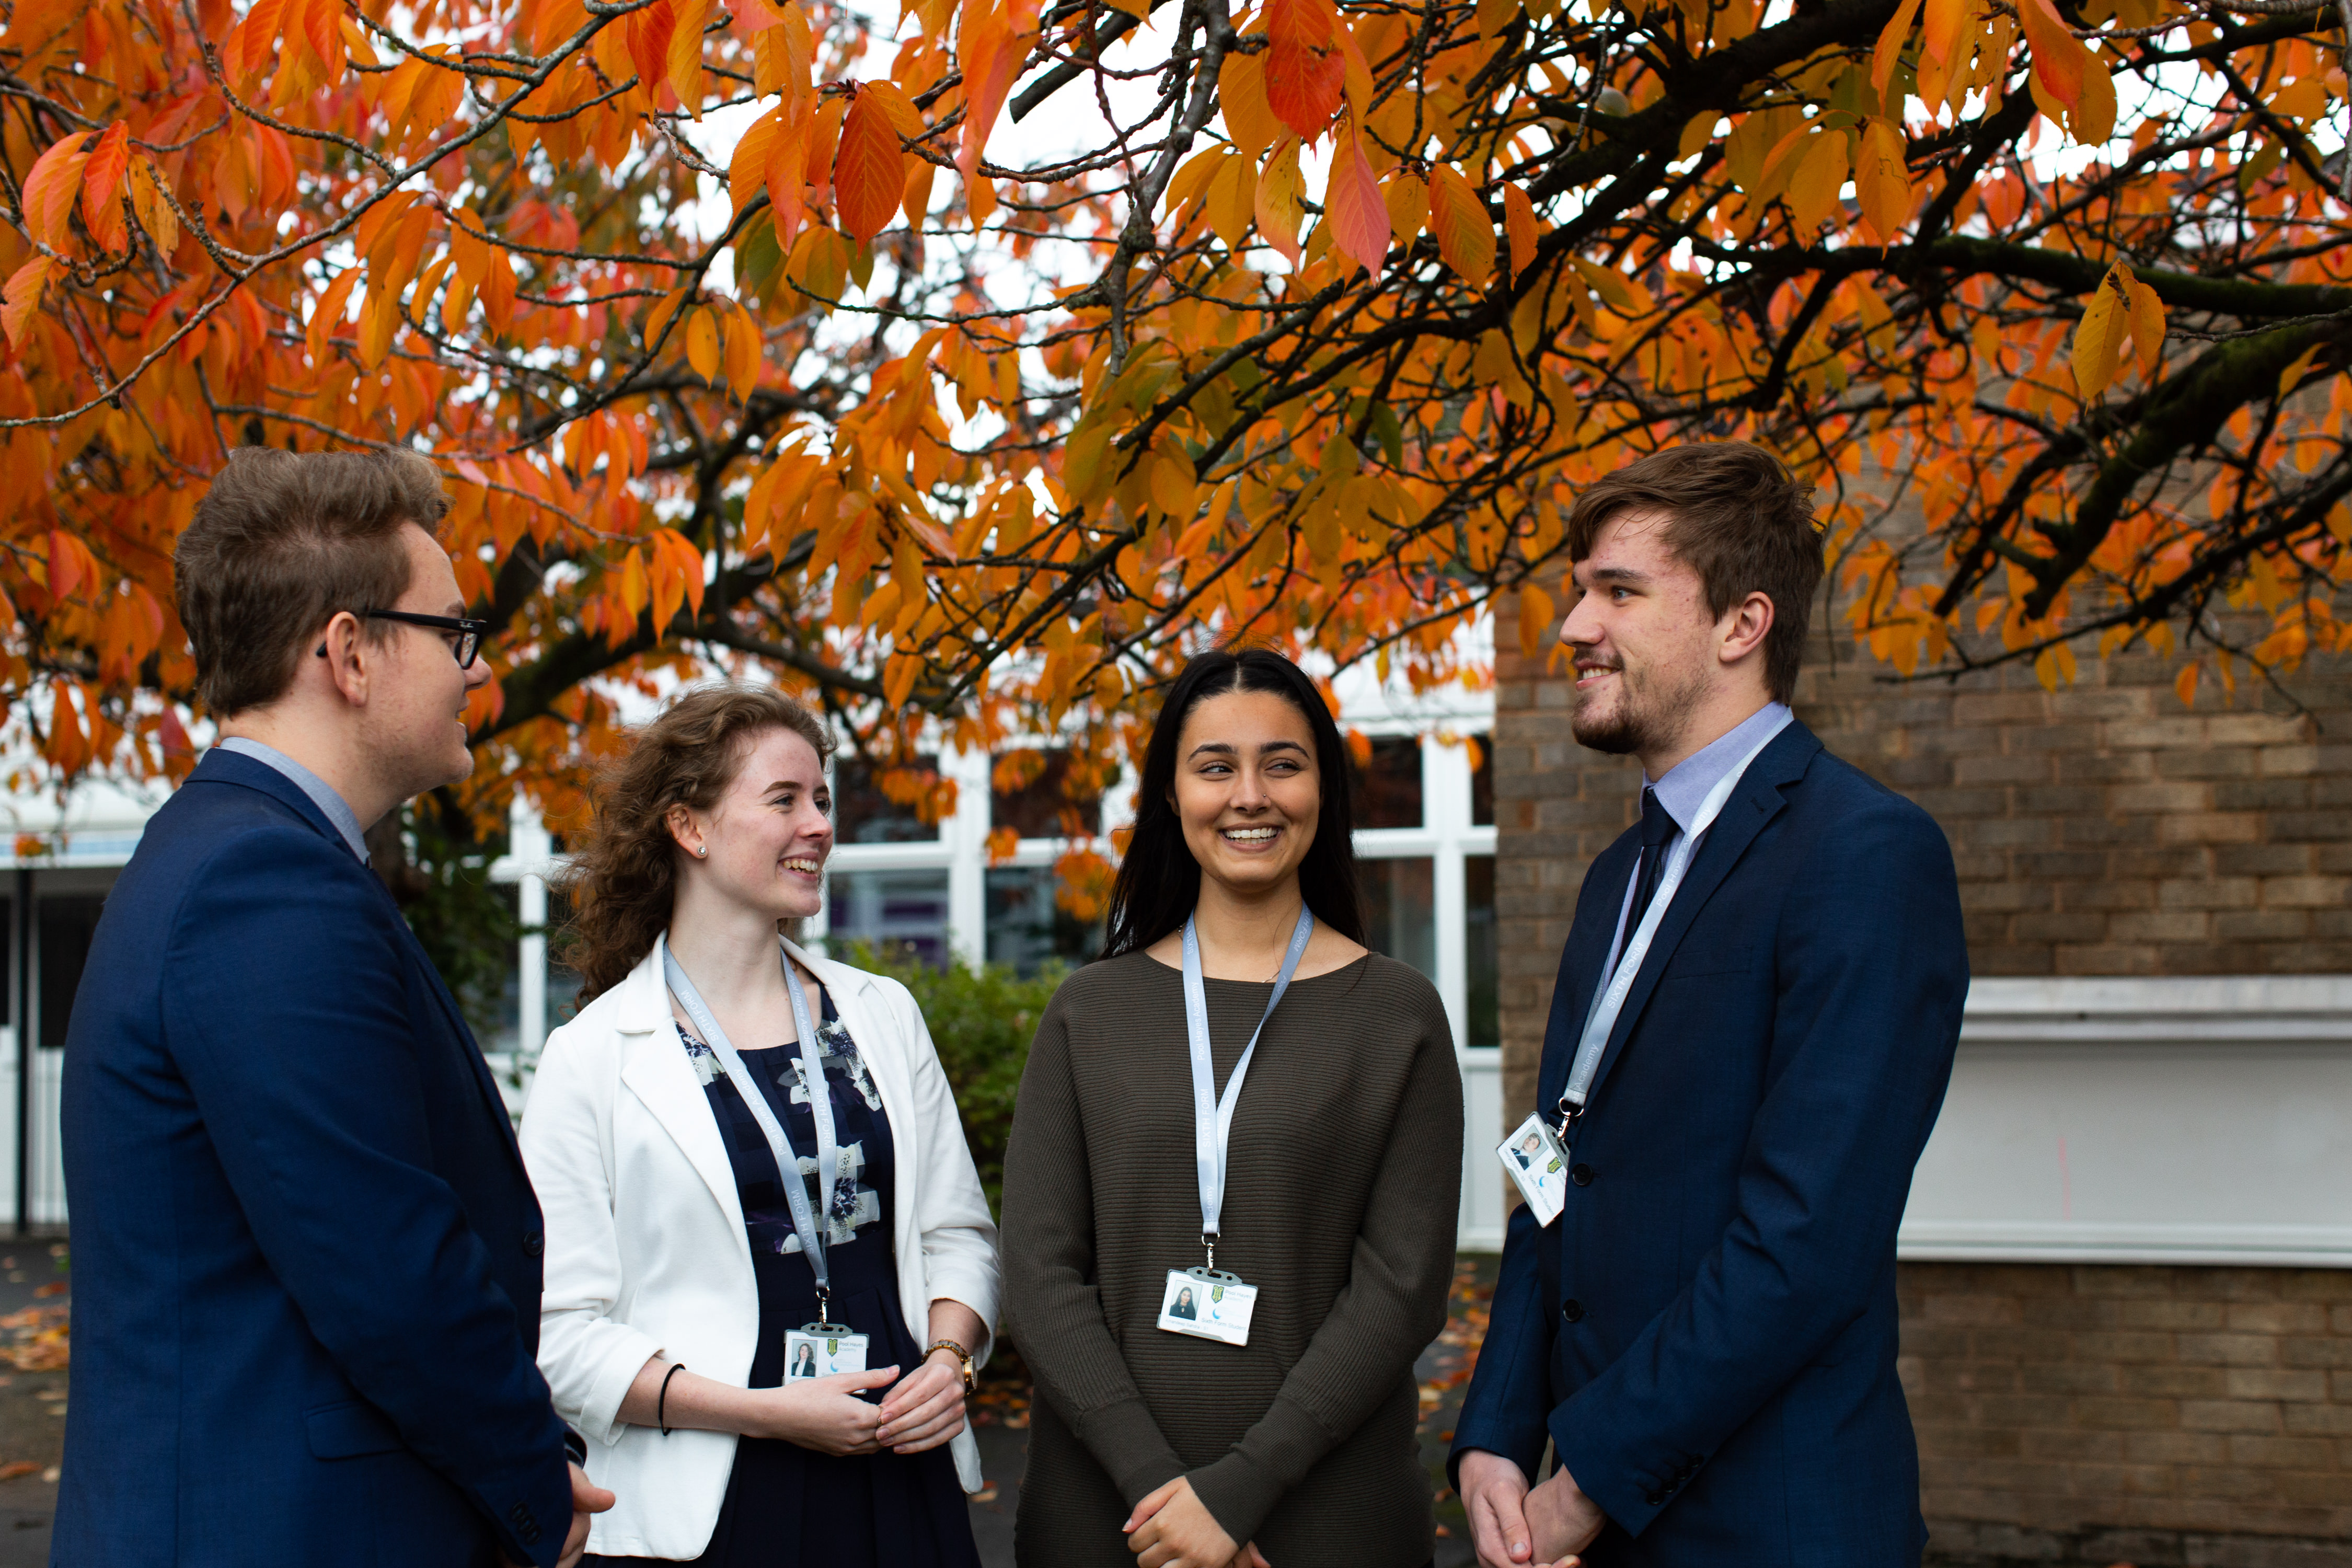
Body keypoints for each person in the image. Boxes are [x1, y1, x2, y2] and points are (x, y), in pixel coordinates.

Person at [55, 447, 609, 1567]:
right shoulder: (259, 886)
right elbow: (386, 1262)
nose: (476, 672)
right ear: (350, 653)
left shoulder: (247, 860)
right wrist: (530, 1484)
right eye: (454, 634)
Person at [1448, 442, 1969, 1568]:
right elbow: (1558, 1172)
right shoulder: (1612, 880)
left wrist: (1583, 1481)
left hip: (1774, 1527)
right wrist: (1497, 1432)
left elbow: (1806, 1241)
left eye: (1618, 592)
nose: (1575, 627)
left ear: (1743, 624)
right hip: (1597, 1521)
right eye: (1582, 587)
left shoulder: (1866, 857)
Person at [1001, 647, 1463, 1568]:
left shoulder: (1396, 1014)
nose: (1249, 795)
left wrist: (1239, 1491)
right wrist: (1162, 1495)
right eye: (1216, 766)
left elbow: (1400, 1290)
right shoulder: (1089, 1013)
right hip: (1108, 1524)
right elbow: (1041, 1276)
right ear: (1173, 795)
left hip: (1329, 1524)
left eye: (1282, 764)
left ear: (1322, 789)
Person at [520, 683, 1000, 1566]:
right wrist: (764, 1410)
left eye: (821, 799)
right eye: (783, 800)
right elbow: (559, 1335)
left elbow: (958, 1232)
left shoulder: (881, 1015)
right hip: (716, 1499)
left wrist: (949, 1360)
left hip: (900, 1463)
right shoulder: (592, 1056)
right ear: (690, 828)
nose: (818, 824)